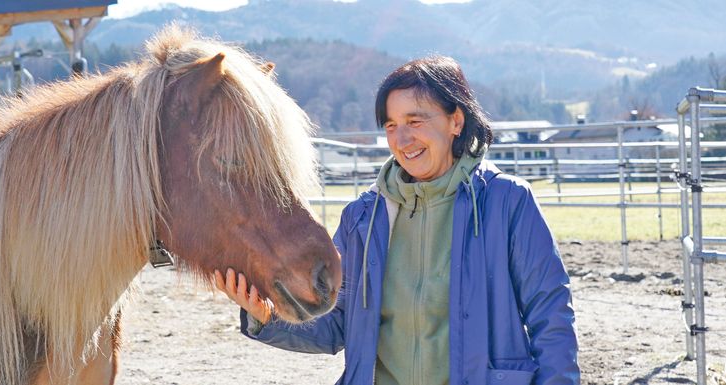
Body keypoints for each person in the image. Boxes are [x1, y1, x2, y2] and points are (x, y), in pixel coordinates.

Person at [214, 56, 580, 385]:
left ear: (456, 120)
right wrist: (267, 316)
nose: (402, 139)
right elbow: (337, 325)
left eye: (415, 121)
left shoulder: (507, 201)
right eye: (391, 126)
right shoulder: (363, 217)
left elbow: (551, 316)